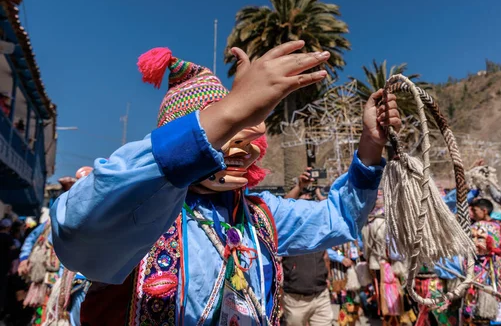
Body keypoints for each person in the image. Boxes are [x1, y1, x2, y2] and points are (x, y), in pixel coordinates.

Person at [50, 42, 401, 326]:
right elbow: (76, 226)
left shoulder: (260, 215)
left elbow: (339, 217)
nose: (240, 145)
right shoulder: (144, 210)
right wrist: (230, 110)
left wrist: (370, 148)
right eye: (224, 130)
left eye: (247, 127)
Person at [19, 169, 92, 326]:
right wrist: (24, 258)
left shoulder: (93, 219)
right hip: (51, 278)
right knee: (47, 315)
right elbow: (32, 238)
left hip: (79, 282)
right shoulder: (51, 222)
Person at [434, 221, 501, 326]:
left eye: (480, 238)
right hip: (468, 320)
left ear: (492, 241)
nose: (474, 242)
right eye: (471, 237)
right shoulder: (462, 262)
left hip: (498, 322)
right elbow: (437, 265)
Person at [281, 170, 332, 326]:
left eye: (309, 198)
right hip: (296, 300)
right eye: (301, 199)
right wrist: (300, 187)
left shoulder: (317, 227)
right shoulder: (287, 230)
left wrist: (328, 278)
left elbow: (325, 257)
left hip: (321, 295)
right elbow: (282, 208)